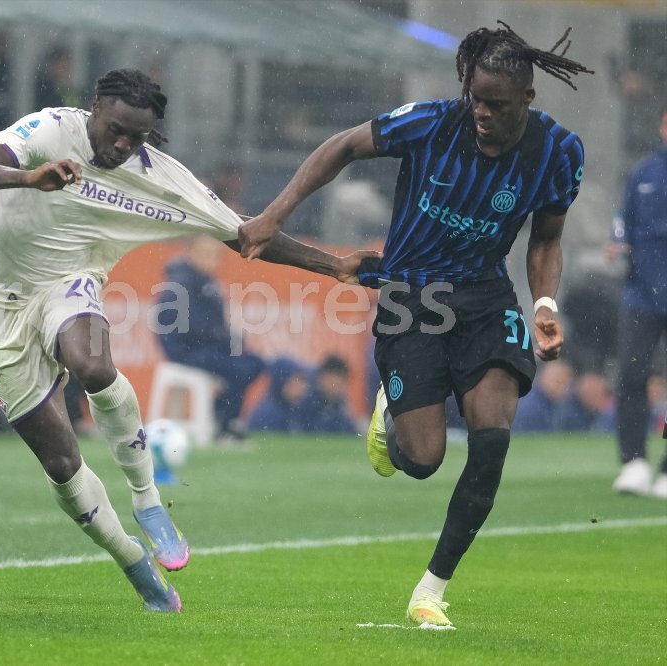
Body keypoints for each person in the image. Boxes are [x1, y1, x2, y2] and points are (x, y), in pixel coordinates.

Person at [0, 69, 373, 612]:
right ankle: (132, 561)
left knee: (93, 366)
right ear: (94, 107)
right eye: (116, 129)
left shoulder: (159, 178)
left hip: (69, 284)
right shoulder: (47, 131)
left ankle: (147, 501)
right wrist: (28, 178)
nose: (122, 145)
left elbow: (247, 235)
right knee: (61, 464)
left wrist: (334, 266)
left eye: (136, 136)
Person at [240, 22, 591, 627]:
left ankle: (431, 589)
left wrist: (544, 305)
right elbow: (343, 146)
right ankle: (391, 414)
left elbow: (547, 239)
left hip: (486, 297)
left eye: (496, 104)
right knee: (424, 457)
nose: (480, 112)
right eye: (474, 98)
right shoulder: (431, 122)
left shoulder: (560, 152)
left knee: (492, 437)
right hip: (409, 297)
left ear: (528, 99)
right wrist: (275, 214)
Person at [608, 105, 667, 499]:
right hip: (641, 294)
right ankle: (634, 463)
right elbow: (622, 224)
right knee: (630, 376)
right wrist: (616, 245)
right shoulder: (643, 173)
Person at [156, 234, 265, 441]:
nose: (211, 260)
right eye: (205, 254)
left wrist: (230, 339)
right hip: (185, 352)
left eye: (215, 255)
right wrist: (225, 338)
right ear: (190, 253)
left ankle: (220, 414)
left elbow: (213, 325)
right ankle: (225, 424)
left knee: (254, 363)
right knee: (239, 368)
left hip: (205, 347)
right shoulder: (182, 282)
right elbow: (189, 328)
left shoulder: (206, 282)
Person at [248, 356, 311, 433]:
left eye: (303, 384)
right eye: (295, 384)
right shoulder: (267, 416)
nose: (301, 390)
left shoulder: (298, 410)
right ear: (281, 382)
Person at [511, 359, 573, 432]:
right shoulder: (530, 408)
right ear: (543, 378)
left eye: (567, 382)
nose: (564, 387)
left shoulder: (560, 403)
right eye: (558, 381)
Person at [302, 354, 358, 434]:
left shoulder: (342, 407)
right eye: (335, 382)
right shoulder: (306, 403)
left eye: (342, 383)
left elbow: (351, 434)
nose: (339, 387)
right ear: (322, 378)